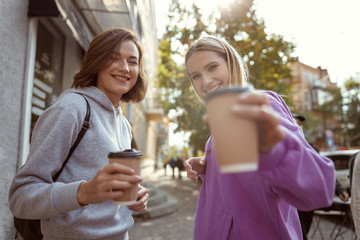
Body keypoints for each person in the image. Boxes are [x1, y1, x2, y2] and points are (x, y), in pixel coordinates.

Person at [183, 36, 336, 240]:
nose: (206, 81)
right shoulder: (217, 132)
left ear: (231, 63)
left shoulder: (263, 107)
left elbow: (318, 189)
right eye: (196, 76)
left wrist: (274, 150)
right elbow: (235, 187)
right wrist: (206, 164)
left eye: (212, 67)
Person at [9, 28, 149, 240]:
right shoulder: (71, 109)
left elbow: (110, 194)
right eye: (114, 58)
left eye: (132, 61)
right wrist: (82, 193)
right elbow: (20, 197)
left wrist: (135, 197)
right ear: (97, 61)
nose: (124, 68)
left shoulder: (123, 125)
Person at [292, 113, 349, 239]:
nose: (299, 126)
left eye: (300, 124)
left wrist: (339, 189)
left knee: (303, 232)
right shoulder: (280, 147)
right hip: (288, 201)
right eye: (296, 123)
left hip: (306, 201)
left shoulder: (310, 148)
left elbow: (323, 169)